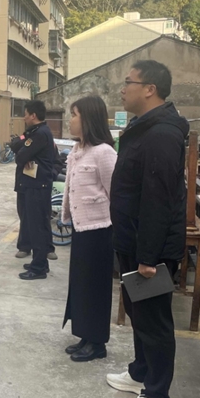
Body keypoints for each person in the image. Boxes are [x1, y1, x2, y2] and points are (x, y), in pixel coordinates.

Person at [106, 60, 188, 398]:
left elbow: (159, 198)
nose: (123, 89)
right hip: (134, 240)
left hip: (149, 249)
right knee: (138, 313)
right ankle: (141, 371)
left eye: (129, 82)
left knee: (154, 322)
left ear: (150, 89)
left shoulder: (162, 134)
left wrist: (149, 257)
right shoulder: (144, 128)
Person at [60, 95, 117, 362]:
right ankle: (85, 335)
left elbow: (115, 193)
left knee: (95, 287)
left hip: (99, 231)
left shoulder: (104, 152)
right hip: (81, 229)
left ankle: (97, 342)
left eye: (74, 115)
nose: (70, 120)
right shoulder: (77, 150)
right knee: (81, 285)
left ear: (88, 119)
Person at [10, 100, 55, 280]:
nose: (24, 118)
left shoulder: (40, 134)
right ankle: (40, 262)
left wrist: (24, 154)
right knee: (34, 224)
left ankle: (38, 268)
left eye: (26, 114)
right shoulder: (35, 133)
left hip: (38, 186)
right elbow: (16, 146)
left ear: (33, 115)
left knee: (37, 227)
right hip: (34, 185)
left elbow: (21, 156)